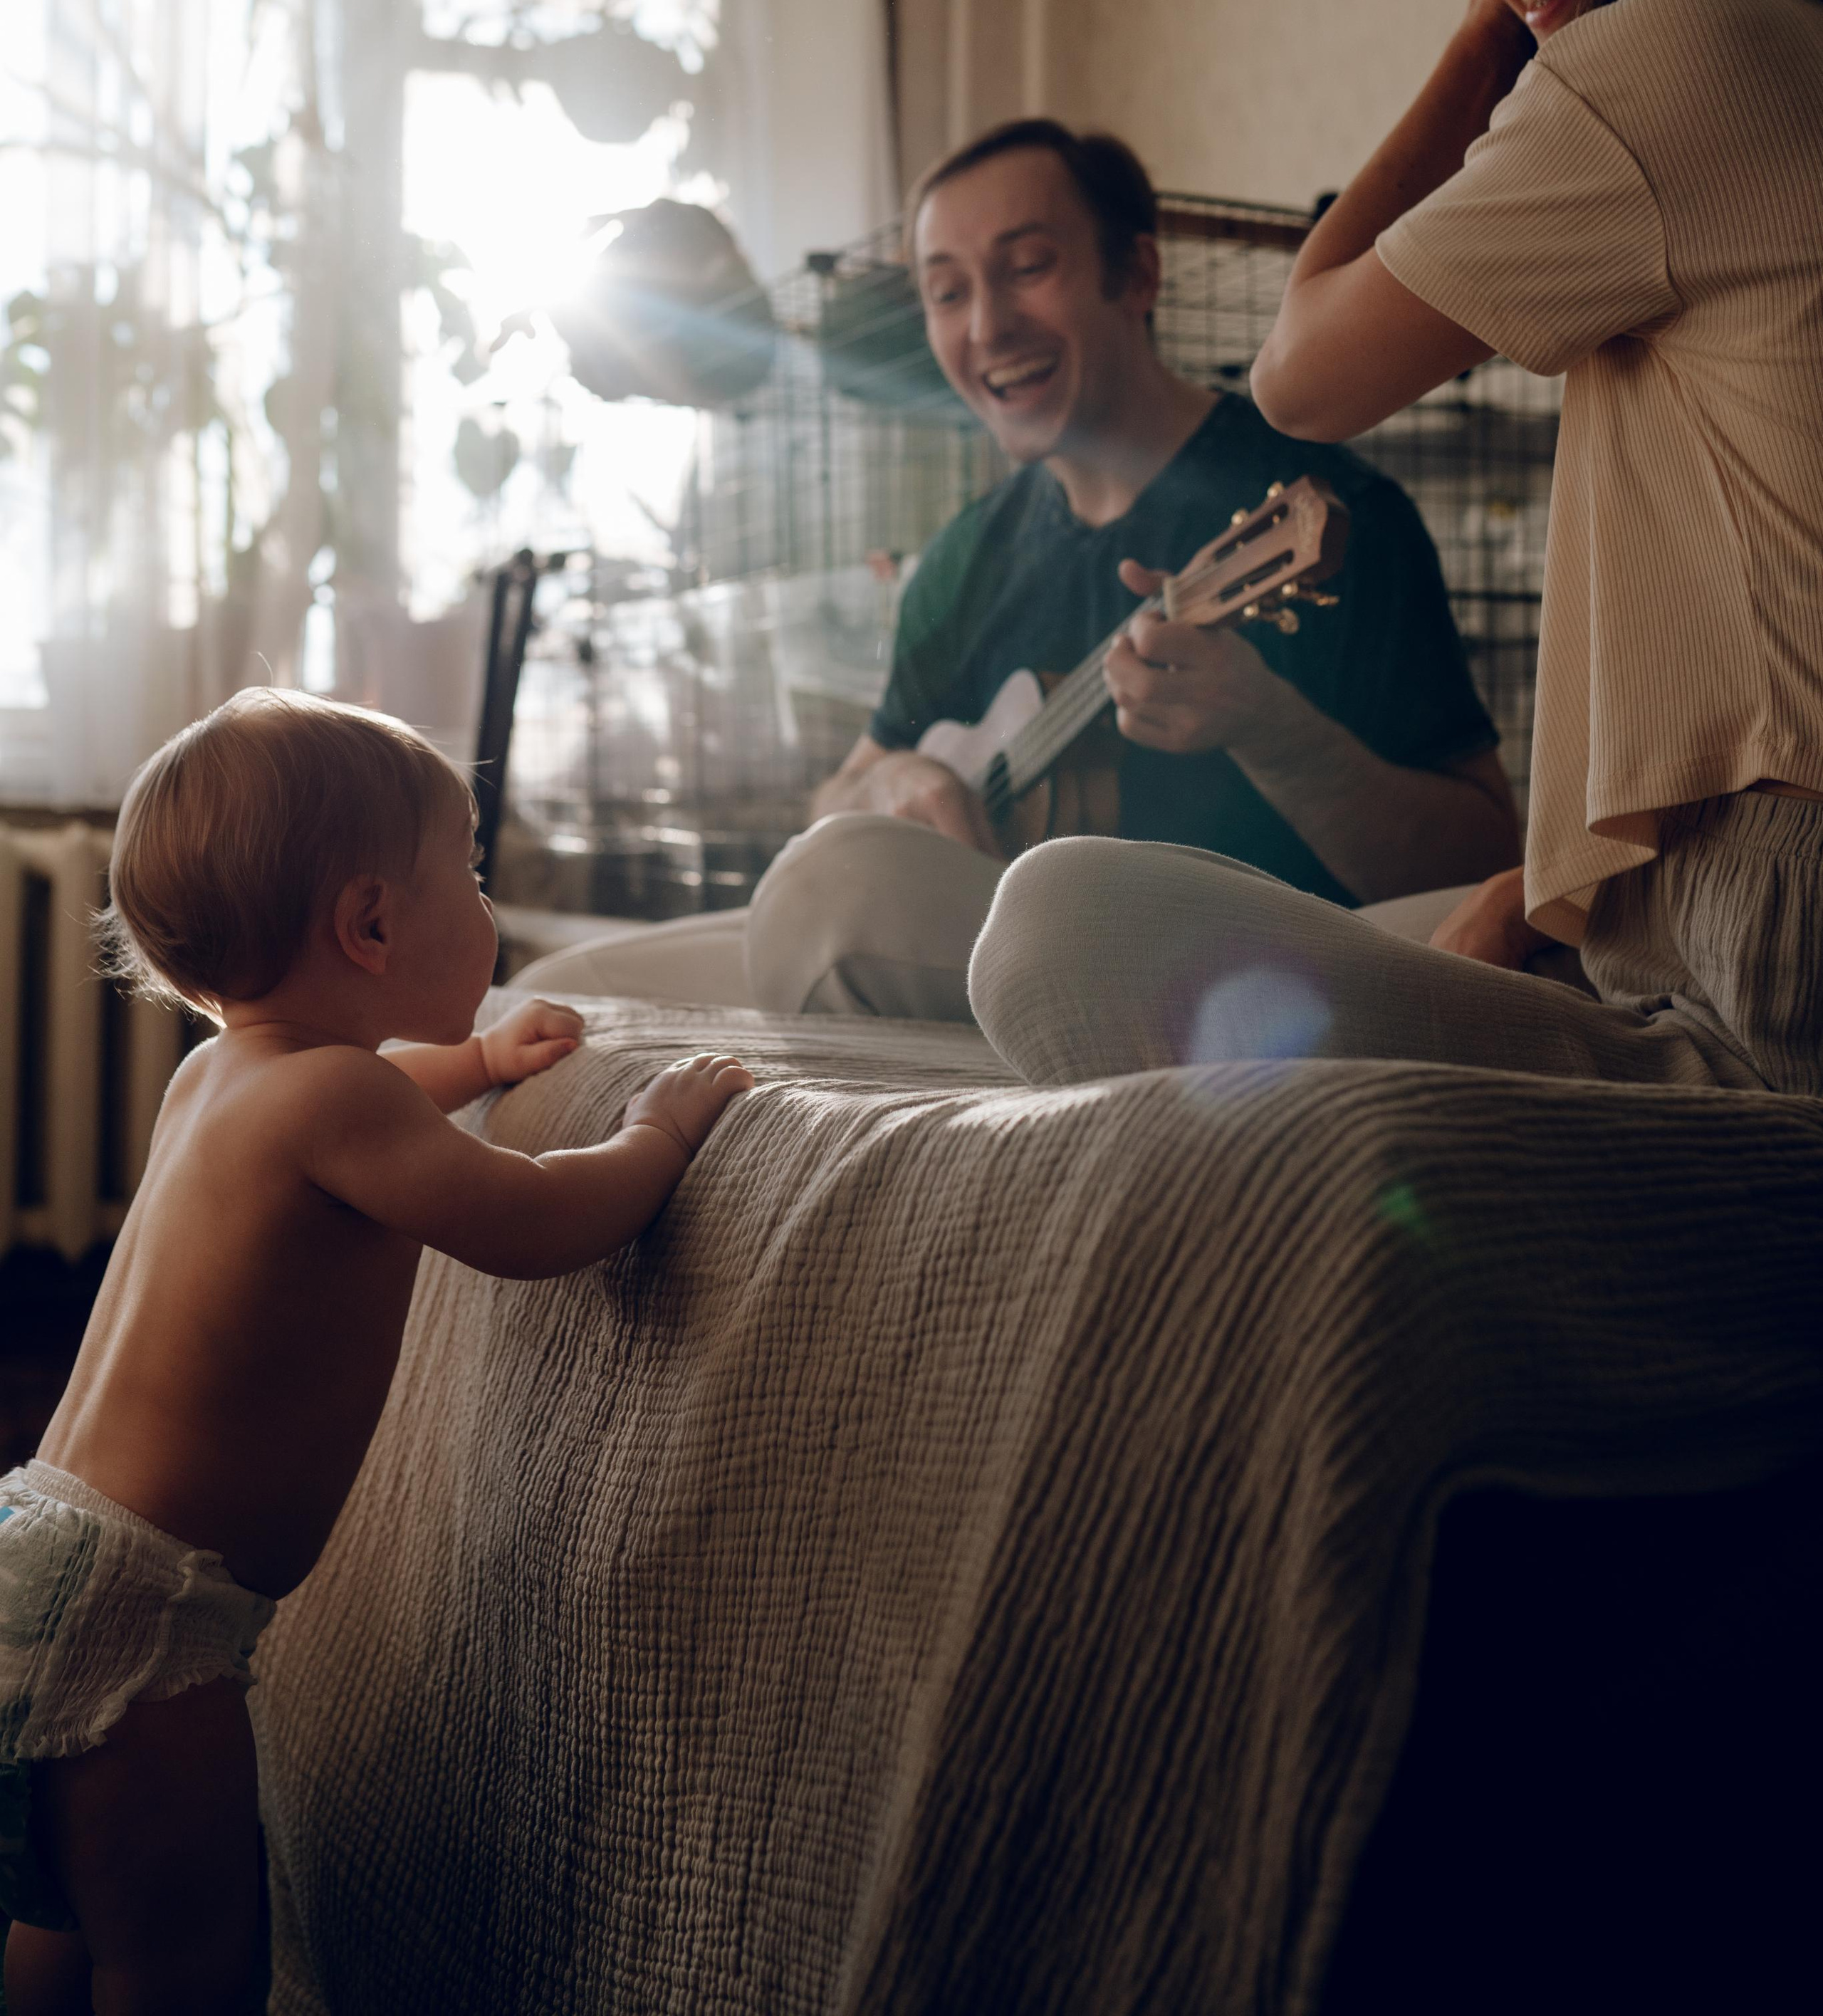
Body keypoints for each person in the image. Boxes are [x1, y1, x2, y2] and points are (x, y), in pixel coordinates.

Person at [968, 0, 1823, 1095]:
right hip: (1739, 872)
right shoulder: (1781, 55)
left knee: (1056, 926)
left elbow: (1298, 377)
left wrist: (1488, 30)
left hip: (1767, 894)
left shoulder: (1672, 54)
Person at [0, 689, 751, 2014]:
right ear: (371, 923)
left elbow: (375, 1099)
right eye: (465, 864)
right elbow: (534, 1225)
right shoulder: (335, 1099)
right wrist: (658, 1134)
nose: (483, 894)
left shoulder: (224, 1076)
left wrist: (469, 1057)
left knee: (71, 1911)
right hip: (149, 1618)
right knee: (183, 1960)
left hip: (42, 1549)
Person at [741, 118, 1517, 1017]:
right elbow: (831, 798)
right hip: (988, 973)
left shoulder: (1325, 513)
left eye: (1028, 268)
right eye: (947, 292)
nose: (987, 326)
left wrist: (1276, 734)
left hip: (1244, 994)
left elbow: (1481, 872)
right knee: (581, 987)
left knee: (824, 905)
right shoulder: (965, 557)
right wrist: (885, 784)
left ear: (1137, 277)